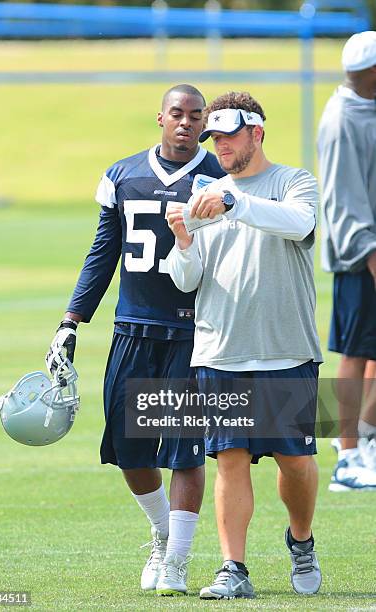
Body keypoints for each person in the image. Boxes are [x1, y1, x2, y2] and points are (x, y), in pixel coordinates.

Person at [45, 84, 224, 596]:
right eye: (177, 114)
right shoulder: (123, 175)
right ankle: (162, 532)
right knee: (130, 449)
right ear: (160, 118)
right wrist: (71, 321)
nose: (186, 123)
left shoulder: (218, 178)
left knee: (186, 450)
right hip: (133, 328)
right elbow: (102, 255)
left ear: (205, 124)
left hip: (195, 333)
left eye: (195, 116)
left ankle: (178, 561)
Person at [166, 91, 323, 599]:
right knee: (229, 458)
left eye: (230, 136)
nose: (221, 147)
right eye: (216, 138)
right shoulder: (205, 193)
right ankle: (233, 567)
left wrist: (236, 201)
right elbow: (187, 280)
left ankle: (301, 540)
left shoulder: (294, 182)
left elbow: (298, 223)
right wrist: (184, 243)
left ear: (257, 133)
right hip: (220, 349)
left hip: (286, 346)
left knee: (294, 462)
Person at [317, 31, 376, 491]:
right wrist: (371, 255)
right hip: (361, 257)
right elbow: (344, 201)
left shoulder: (368, 105)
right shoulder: (341, 119)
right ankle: (347, 456)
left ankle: (365, 437)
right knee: (354, 351)